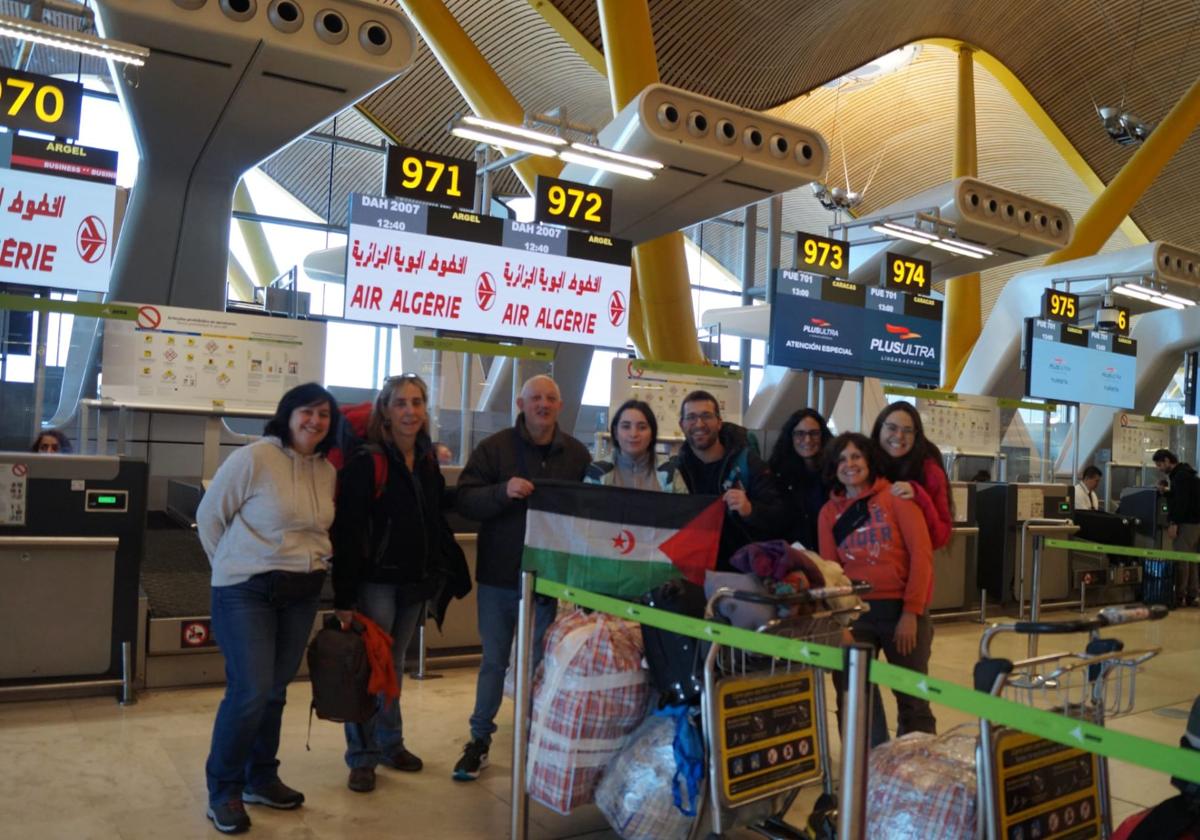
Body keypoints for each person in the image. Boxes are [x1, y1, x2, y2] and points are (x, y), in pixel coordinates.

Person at [196, 383, 340, 835]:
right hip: (246, 591)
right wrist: (234, 567)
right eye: (307, 412)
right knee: (251, 689)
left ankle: (261, 777)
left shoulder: (326, 470)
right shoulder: (254, 458)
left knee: (276, 689)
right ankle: (224, 789)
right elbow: (209, 516)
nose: (315, 421)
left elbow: (316, 531)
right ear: (288, 413)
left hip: (302, 590)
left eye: (323, 415)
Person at [331, 374, 470, 794]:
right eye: (401, 404)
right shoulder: (366, 462)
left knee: (394, 667)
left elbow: (431, 512)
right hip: (376, 583)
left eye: (417, 403)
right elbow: (348, 533)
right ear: (385, 413)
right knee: (371, 669)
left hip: (414, 582)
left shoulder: (425, 460)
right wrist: (344, 596)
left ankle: (390, 743)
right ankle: (362, 757)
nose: (410, 411)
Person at [452, 374, 591, 781]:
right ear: (520, 402)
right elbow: (465, 499)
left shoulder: (578, 456)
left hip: (546, 581)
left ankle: (533, 739)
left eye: (550, 398)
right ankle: (479, 740)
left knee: (536, 664)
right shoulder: (493, 449)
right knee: (494, 662)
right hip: (498, 576)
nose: (542, 405)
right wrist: (501, 492)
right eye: (535, 398)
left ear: (560, 405)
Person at [818, 432, 935, 747]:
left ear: (869, 460)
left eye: (856, 456)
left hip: (900, 609)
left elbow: (921, 557)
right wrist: (839, 622)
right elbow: (831, 572)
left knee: (912, 698)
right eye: (842, 459)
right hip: (855, 613)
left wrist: (912, 612)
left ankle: (917, 772)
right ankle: (868, 771)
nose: (850, 464)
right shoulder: (829, 513)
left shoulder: (896, 498)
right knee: (855, 696)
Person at [661, 390, 783, 568]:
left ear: (719, 423)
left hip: (743, 570)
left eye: (706, 416)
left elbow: (780, 516)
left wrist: (750, 510)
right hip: (692, 570)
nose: (699, 424)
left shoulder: (748, 463)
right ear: (682, 424)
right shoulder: (674, 470)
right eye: (691, 417)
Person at [871, 401, 952, 550]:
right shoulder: (865, 465)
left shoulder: (930, 472)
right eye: (892, 428)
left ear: (916, 435)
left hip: (912, 564)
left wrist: (919, 495)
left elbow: (941, 537)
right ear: (879, 428)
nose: (899, 436)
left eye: (907, 431)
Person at [768, 408, 833, 550]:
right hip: (792, 553)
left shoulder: (836, 473)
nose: (807, 440)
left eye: (814, 433)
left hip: (829, 552)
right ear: (790, 437)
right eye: (800, 434)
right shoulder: (778, 473)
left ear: (823, 436)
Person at [586, 398, 679, 491]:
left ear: (652, 434)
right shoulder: (597, 471)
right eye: (626, 426)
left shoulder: (670, 472)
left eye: (642, 427)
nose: (633, 434)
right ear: (615, 433)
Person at [1153, 449, 1200, 607]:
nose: (1159, 468)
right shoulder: (1186, 473)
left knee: (1181, 559)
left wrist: (1173, 523)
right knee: (1191, 559)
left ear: (1167, 460)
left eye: (1160, 464)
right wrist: (1167, 492)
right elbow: (1182, 496)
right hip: (1195, 523)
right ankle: (1191, 594)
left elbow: (1181, 503)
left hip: (1186, 523)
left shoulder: (1179, 477)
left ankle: (1179, 595)